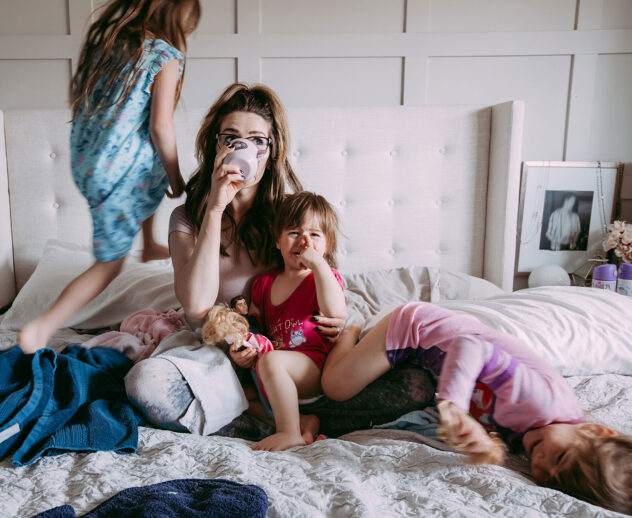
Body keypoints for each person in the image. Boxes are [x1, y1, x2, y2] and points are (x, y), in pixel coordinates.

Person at [124, 82, 436, 438]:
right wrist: (215, 206)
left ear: (270, 152)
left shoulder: (286, 218)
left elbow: (322, 277)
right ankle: (281, 418)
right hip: (218, 356)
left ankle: (259, 411)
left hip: (288, 356)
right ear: (216, 145)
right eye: (232, 137)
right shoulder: (187, 218)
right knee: (145, 384)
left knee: (416, 385)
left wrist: (344, 326)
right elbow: (196, 305)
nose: (246, 148)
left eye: (258, 140)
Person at [321, 301, 632, 514]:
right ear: (594, 430)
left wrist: (484, 443)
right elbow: (470, 345)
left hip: (430, 366)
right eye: (560, 456)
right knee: (335, 386)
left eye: (549, 478)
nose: (542, 463)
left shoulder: (545, 430)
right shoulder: (540, 400)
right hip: (415, 330)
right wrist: (453, 406)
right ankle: (350, 334)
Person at [18, 0, 201, 353]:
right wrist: (178, 179)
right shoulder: (165, 56)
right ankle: (41, 327)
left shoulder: (113, 48)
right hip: (116, 172)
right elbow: (161, 127)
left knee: (148, 162)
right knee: (110, 264)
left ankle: (147, 243)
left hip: (89, 163)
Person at [206, 192, 346, 451]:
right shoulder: (263, 284)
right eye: (294, 232)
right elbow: (256, 329)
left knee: (271, 361)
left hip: (310, 366)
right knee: (236, 392)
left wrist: (319, 266)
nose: (304, 241)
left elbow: (335, 310)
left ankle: (289, 432)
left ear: (326, 245)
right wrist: (243, 350)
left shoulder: (323, 278)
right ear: (277, 241)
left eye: (315, 235)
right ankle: (303, 420)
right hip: (273, 369)